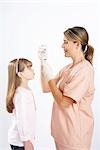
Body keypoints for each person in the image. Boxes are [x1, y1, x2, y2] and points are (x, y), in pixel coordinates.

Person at [38, 26, 95, 150]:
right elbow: (46, 87)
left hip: (74, 134)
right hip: (62, 132)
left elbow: (64, 102)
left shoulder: (84, 70)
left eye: (65, 42)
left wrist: (50, 78)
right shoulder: (68, 68)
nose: (62, 46)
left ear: (77, 44)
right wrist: (43, 64)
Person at [6, 58, 36, 150]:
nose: (33, 70)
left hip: (24, 140)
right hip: (20, 142)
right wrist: (26, 140)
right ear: (20, 74)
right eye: (29, 68)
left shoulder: (26, 91)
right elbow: (22, 119)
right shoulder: (20, 94)